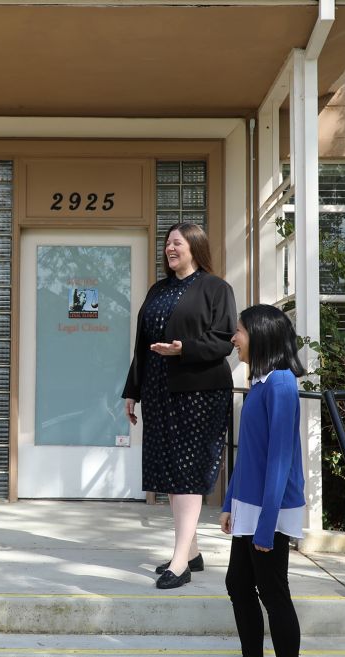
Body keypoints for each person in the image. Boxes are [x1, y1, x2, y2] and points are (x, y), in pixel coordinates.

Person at [121, 222, 237, 590]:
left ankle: (179, 561)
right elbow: (143, 344)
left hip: (200, 393)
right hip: (159, 392)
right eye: (168, 243)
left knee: (186, 473)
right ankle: (193, 551)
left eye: (177, 243)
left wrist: (183, 349)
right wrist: (132, 391)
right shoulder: (158, 289)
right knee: (173, 471)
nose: (170, 248)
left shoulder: (216, 288)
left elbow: (223, 341)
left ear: (195, 247)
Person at [221, 304, 306, 657]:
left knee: (272, 592)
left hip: (268, 509)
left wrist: (266, 523)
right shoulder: (260, 384)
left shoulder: (283, 384)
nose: (234, 339)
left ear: (260, 335)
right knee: (238, 583)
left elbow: (279, 459)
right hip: (249, 505)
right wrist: (228, 503)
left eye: (239, 331)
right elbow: (249, 453)